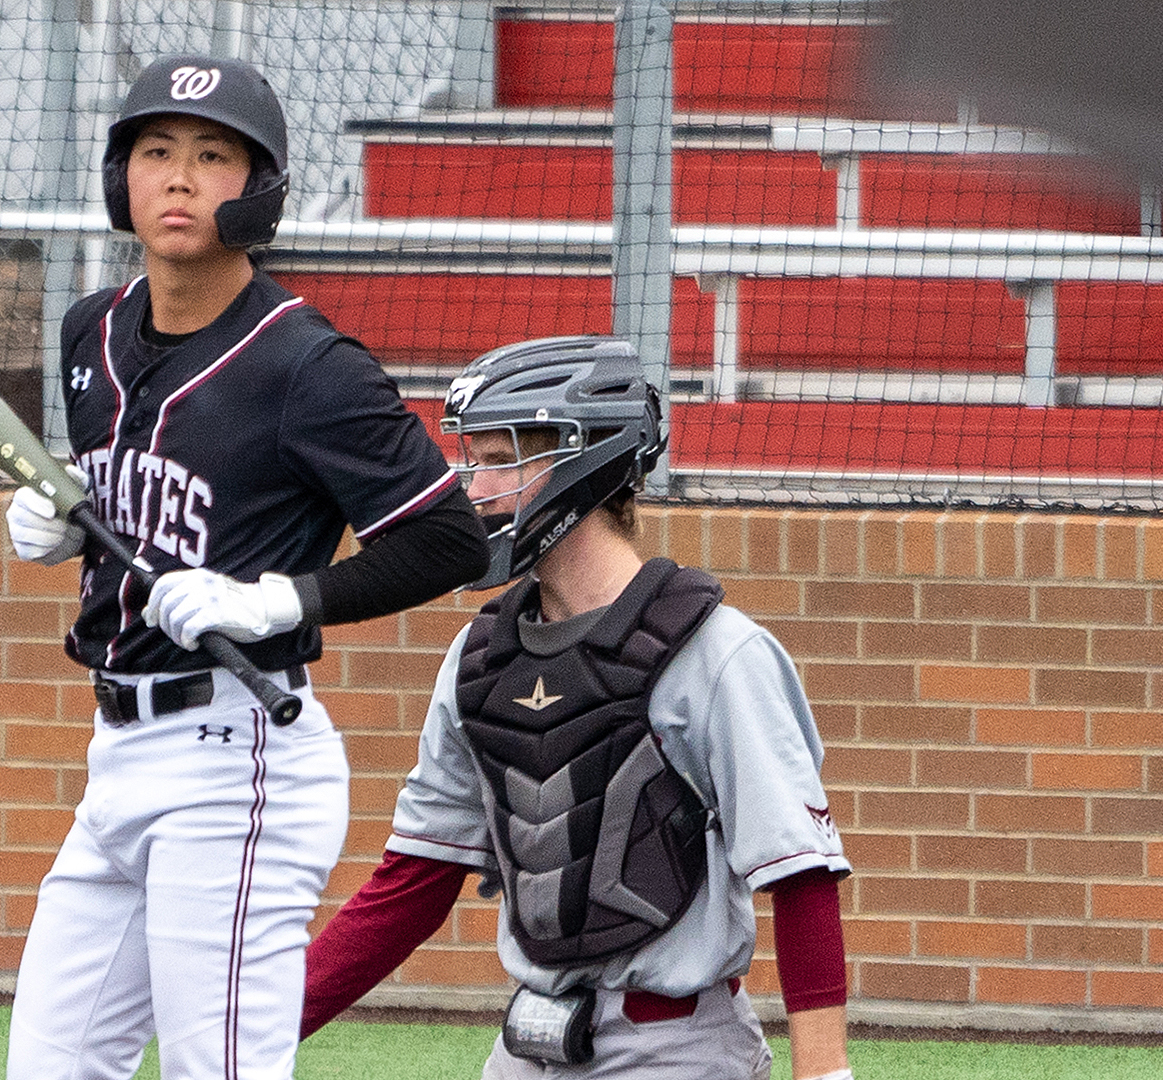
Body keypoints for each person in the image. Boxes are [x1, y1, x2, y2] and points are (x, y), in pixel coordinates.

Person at [0, 54, 490, 1080]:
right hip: (118, 756)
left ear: (257, 191)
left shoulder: (307, 366)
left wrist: (280, 599)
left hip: (238, 760)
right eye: (156, 152)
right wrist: (63, 524)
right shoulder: (89, 329)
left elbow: (450, 538)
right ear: (117, 178)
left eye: (213, 156)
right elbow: (141, 507)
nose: (179, 179)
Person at [300, 335, 854, 1080]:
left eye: (500, 460)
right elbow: (412, 883)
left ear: (584, 459)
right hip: (529, 1044)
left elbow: (801, 876)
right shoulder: (479, 656)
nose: (474, 489)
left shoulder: (718, 652)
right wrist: (261, 1027)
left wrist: (824, 1074)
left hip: (676, 1049)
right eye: (474, 459)